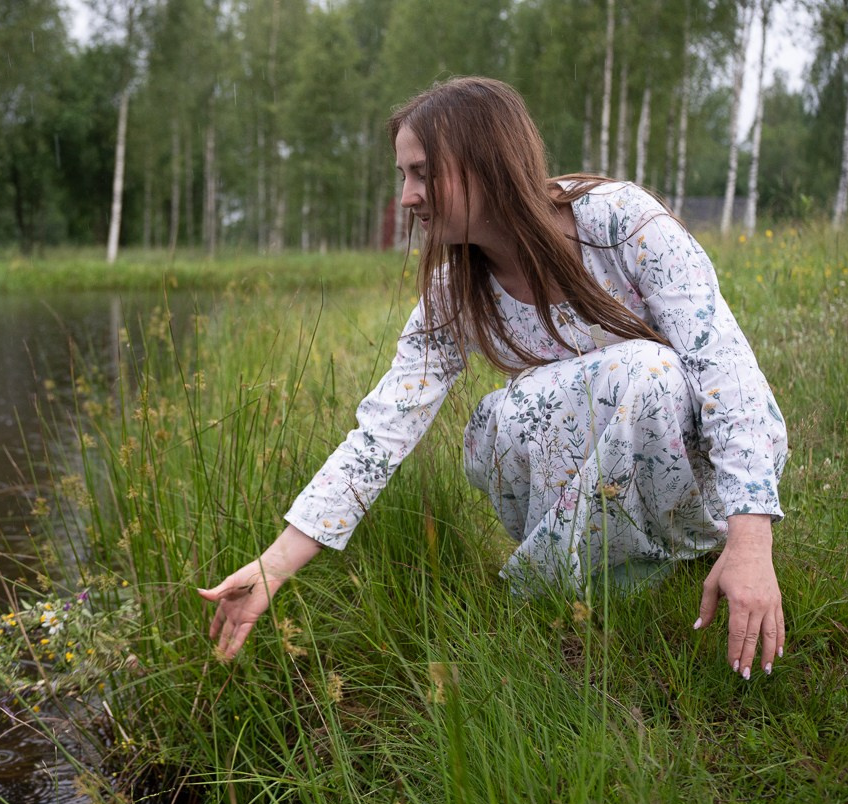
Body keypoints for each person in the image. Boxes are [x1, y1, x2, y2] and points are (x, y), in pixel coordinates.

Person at [198, 77, 789, 680]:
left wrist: (751, 540)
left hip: (701, 481)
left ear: (487, 162)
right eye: (404, 175)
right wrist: (273, 565)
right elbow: (385, 428)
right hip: (597, 481)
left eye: (422, 173)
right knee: (499, 420)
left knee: (649, 370)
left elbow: (727, 370)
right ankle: (592, 581)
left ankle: (565, 585)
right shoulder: (456, 286)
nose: (407, 196)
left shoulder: (619, 220)